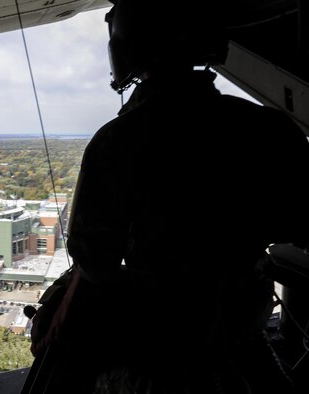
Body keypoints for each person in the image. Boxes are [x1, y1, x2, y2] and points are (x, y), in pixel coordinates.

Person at [26, 1, 309, 393]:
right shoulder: (272, 128)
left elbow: (96, 265)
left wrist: (57, 326)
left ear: (124, 51)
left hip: (160, 345)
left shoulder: (119, 141)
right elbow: (296, 222)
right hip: (242, 322)